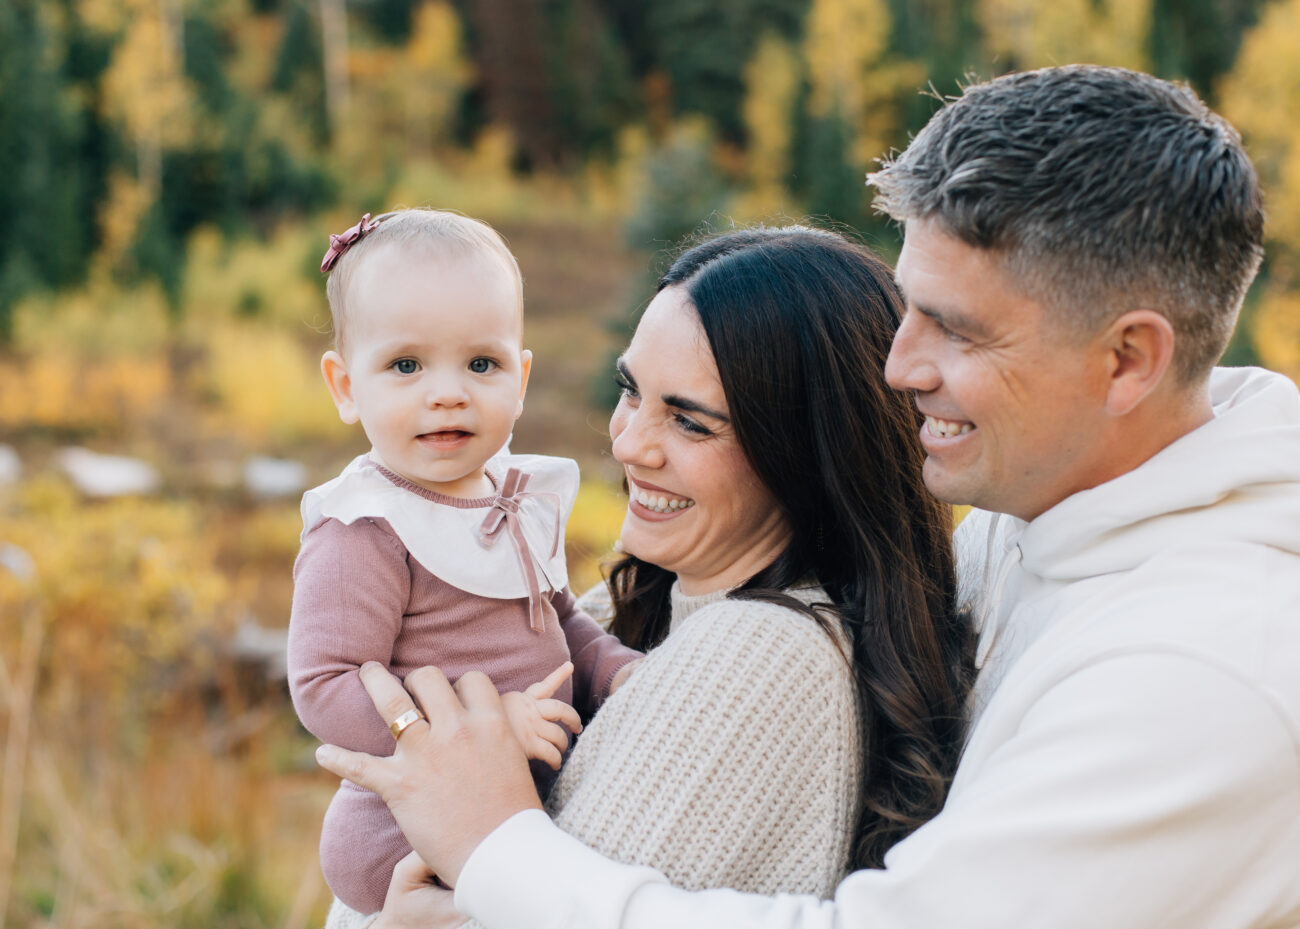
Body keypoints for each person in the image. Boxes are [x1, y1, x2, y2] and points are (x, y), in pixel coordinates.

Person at [317, 65, 1300, 929]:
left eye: (955, 329)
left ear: (1127, 359)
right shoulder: (1032, 511)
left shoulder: (1205, 672)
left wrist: (494, 848)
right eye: (907, 305)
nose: (899, 364)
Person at [328, 225, 975, 928]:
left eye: (690, 423)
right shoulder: (631, 604)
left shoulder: (762, 655)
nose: (629, 441)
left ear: (808, 453)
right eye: (630, 390)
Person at [287, 208, 643, 918]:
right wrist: (481, 734)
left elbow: (558, 618)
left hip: (514, 804)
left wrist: (617, 672)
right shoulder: (367, 525)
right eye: (406, 365)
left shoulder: (514, 496)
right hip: (406, 831)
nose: (446, 391)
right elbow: (323, 685)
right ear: (346, 386)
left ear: (521, 376)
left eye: (481, 363)